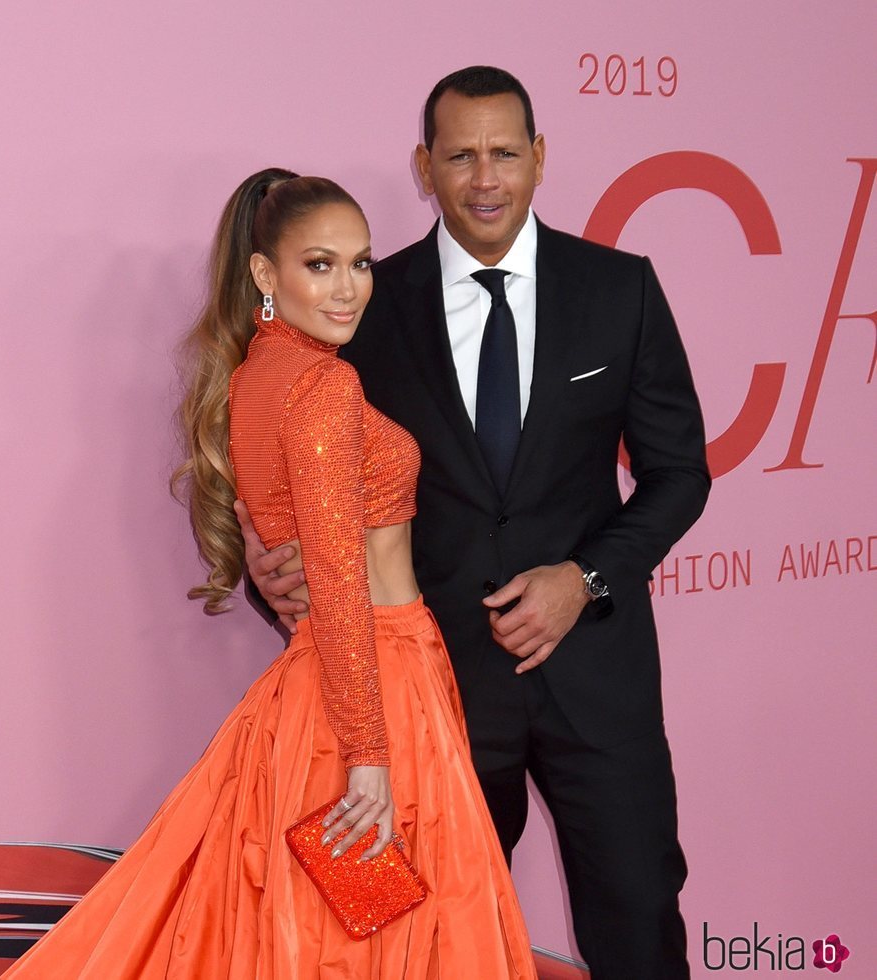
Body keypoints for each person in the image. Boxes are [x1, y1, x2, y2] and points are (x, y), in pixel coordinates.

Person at [0, 170, 537, 979]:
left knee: (315, 937)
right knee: (388, 946)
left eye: (360, 263)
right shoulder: (324, 386)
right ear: (264, 275)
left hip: (312, 689)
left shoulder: (255, 378)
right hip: (373, 689)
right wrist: (369, 755)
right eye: (320, 265)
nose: (350, 288)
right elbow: (338, 576)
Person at [240, 68, 711, 979]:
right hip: (430, 688)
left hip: (594, 678)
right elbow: (286, 443)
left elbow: (679, 476)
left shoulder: (619, 290)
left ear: (539, 159)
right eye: (460, 156)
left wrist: (586, 578)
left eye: (504, 153)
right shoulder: (363, 310)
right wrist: (266, 550)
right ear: (425, 166)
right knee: (425, 945)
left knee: (641, 918)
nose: (484, 178)